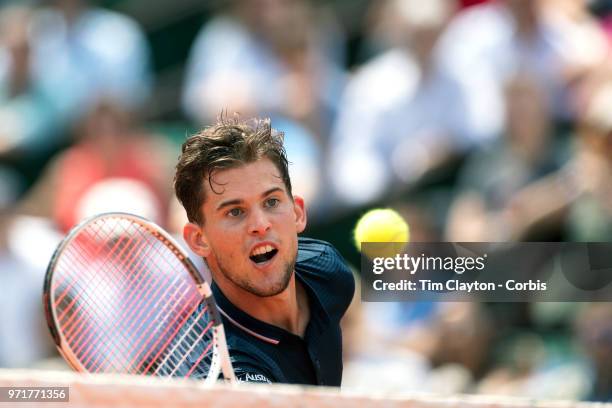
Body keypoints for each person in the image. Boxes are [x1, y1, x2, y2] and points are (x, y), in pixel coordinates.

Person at [173, 116, 355, 385]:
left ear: (297, 213)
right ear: (199, 239)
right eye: (235, 212)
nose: (260, 225)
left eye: (271, 202)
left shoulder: (329, 272)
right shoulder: (211, 368)